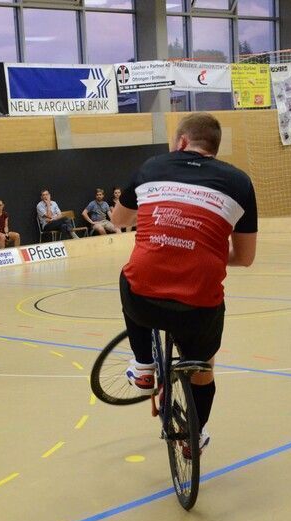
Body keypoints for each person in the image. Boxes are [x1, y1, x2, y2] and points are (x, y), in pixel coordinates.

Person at [111, 112, 258, 453]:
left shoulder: (151, 167)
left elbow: (119, 220)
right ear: (214, 149)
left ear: (180, 143)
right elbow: (245, 257)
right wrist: (201, 248)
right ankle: (195, 437)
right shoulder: (238, 182)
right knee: (204, 368)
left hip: (144, 301)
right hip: (199, 309)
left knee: (129, 275)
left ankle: (144, 366)